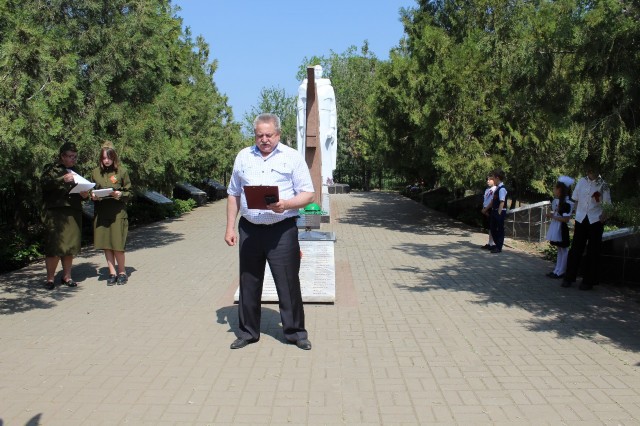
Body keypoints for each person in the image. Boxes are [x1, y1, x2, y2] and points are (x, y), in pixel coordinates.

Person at [225, 113, 315, 350]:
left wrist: (286, 204)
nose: (264, 139)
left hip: (282, 230)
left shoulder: (292, 157)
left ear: (278, 134)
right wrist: (230, 227)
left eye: (269, 135)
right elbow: (233, 194)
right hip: (250, 230)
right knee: (248, 282)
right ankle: (248, 332)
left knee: (287, 283)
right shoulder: (243, 157)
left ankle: (295, 333)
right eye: (259, 135)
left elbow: (308, 194)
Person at [40, 142, 90, 289]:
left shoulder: (76, 170)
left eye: (75, 156)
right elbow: (44, 184)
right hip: (56, 213)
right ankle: (50, 279)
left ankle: (67, 276)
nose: (73, 159)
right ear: (62, 156)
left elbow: (81, 190)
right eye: (70, 156)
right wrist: (62, 179)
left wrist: (84, 195)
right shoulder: (51, 169)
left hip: (72, 211)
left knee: (70, 246)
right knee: (54, 247)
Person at [562, 158, 611, 290]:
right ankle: (569, 277)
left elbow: (607, 205)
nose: (590, 172)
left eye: (593, 170)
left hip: (595, 220)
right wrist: (572, 214)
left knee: (593, 251)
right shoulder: (581, 181)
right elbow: (576, 199)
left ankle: (588, 281)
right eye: (589, 170)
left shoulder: (603, 185)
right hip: (581, 218)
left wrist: (603, 217)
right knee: (576, 248)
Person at [90, 142, 132, 285]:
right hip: (102, 213)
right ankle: (112, 273)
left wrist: (120, 194)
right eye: (103, 158)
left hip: (117, 213)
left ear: (114, 158)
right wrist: (92, 195)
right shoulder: (95, 172)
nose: (106, 161)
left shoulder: (122, 171)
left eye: (109, 158)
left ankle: (122, 272)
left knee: (117, 245)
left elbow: (130, 192)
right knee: (106, 244)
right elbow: (91, 189)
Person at [296, 65, 337, 188]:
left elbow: (333, 109)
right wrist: (302, 125)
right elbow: (300, 107)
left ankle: (326, 177)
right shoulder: (304, 87)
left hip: (325, 121)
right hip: (309, 120)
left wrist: (332, 127)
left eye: (320, 70)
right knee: (308, 150)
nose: (318, 72)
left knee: (325, 150)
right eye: (316, 70)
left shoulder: (328, 88)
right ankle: (307, 177)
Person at [545, 176, 575, 279]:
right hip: (557, 227)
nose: (554, 190)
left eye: (556, 188)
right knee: (559, 249)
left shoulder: (568, 203)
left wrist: (553, 216)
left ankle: (561, 271)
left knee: (564, 249)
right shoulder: (558, 201)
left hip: (562, 228)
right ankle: (557, 270)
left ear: (561, 190)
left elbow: (566, 219)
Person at [488, 169, 507, 254]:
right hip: (495, 210)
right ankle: (497, 244)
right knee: (493, 228)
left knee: (499, 229)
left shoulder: (502, 189)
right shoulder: (498, 188)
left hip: (500, 211)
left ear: (497, 178)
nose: (493, 179)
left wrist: (499, 213)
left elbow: (502, 202)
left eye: (493, 178)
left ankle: (499, 247)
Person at [480, 174, 497, 250]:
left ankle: (493, 244)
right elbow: (485, 200)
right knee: (489, 227)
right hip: (485, 209)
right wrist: (483, 209)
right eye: (487, 180)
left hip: (490, 209)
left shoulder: (495, 189)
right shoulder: (487, 190)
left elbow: (492, 201)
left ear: (494, 180)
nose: (488, 181)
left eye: (489, 179)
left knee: (492, 227)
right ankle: (490, 243)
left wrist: (486, 209)